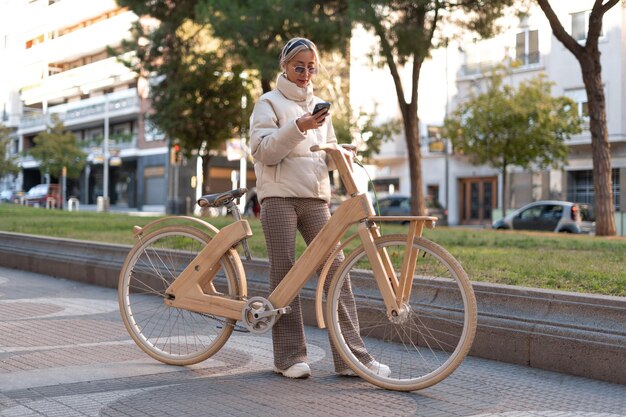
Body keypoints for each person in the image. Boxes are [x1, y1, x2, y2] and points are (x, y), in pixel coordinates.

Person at [249, 37, 390, 379]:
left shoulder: (319, 108)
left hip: (315, 197)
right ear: (284, 66)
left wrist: (339, 152)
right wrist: (299, 127)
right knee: (285, 272)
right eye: (299, 67)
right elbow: (263, 151)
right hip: (278, 196)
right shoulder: (267, 103)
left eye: (311, 67)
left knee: (336, 270)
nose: (305, 73)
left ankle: (351, 358)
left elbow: (320, 157)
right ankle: (289, 357)